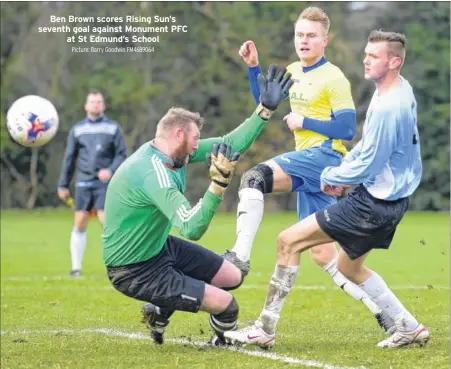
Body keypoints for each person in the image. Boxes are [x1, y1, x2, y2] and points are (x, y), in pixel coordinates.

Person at [225, 30, 430, 349]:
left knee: (288, 241)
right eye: (366, 52)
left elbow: (371, 159)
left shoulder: (389, 105)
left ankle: (264, 329)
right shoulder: (396, 90)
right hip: (388, 201)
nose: (365, 59)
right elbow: (369, 147)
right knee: (346, 265)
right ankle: (407, 325)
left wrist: (336, 175)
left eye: (373, 55)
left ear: (394, 61)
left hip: (371, 203)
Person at [102, 66, 293, 345]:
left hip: (159, 248)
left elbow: (229, 144)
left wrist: (264, 110)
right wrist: (218, 186)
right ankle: (219, 340)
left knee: (233, 275)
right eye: (193, 140)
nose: (196, 147)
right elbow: (191, 228)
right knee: (228, 306)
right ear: (178, 134)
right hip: (133, 269)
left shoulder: (173, 153)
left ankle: (159, 307)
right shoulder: (154, 175)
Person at [57, 90, 127, 278]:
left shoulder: (113, 128)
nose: (96, 104)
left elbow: (121, 154)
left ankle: (117, 265)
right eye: (92, 101)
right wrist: (63, 185)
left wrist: (110, 170)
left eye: (99, 101)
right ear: (86, 106)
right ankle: (76, 268)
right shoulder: (77, 129)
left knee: (107, 222)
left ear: (103, 106)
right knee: (80, 221)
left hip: (105, 183)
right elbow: (69, 159)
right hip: (83, 182)